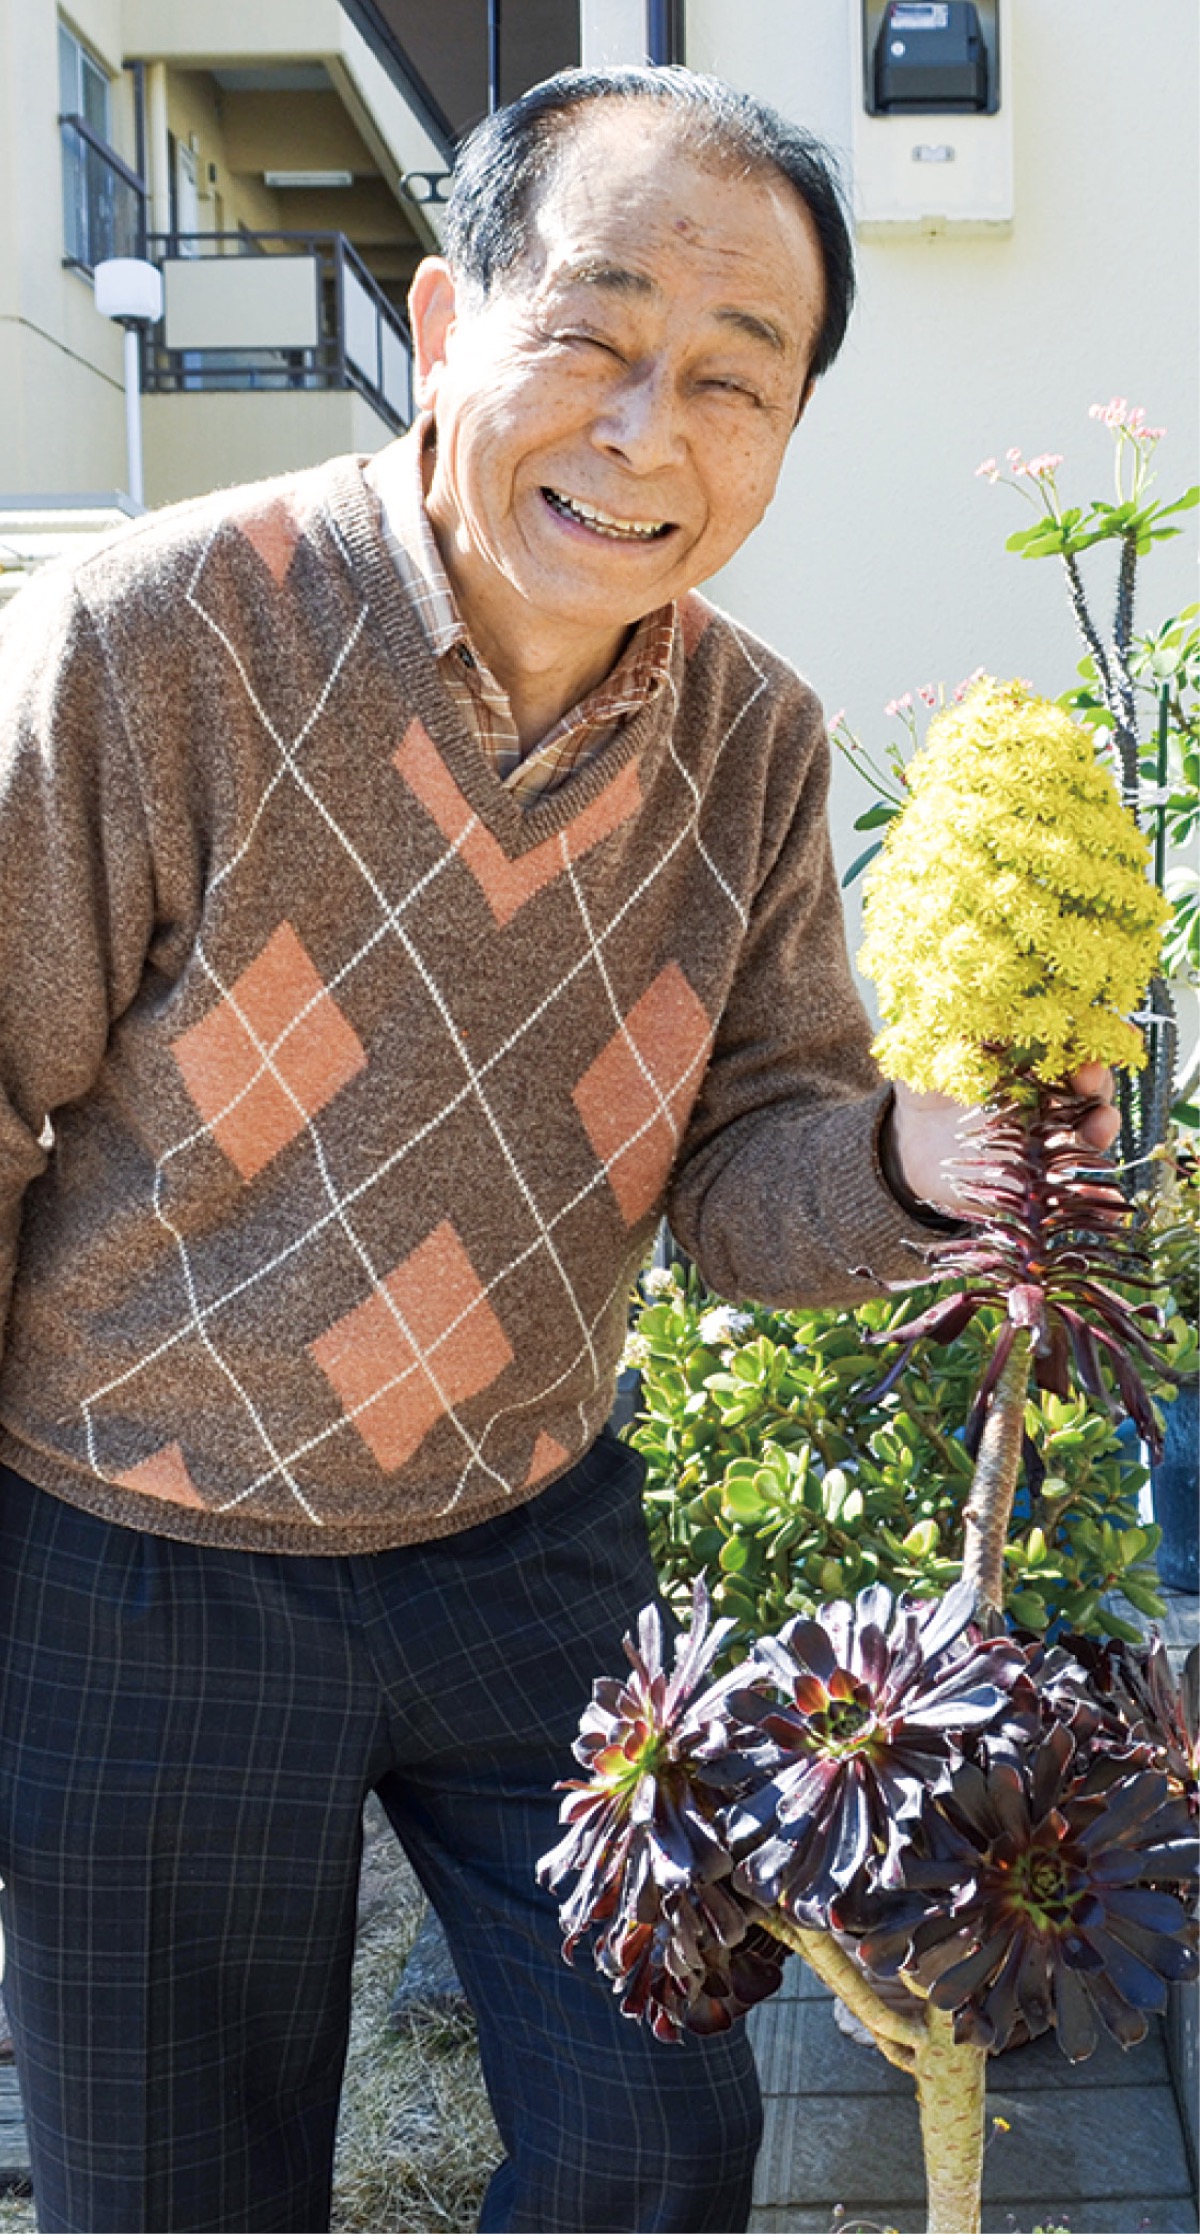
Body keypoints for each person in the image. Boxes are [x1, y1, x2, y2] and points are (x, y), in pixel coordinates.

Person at [0, 63, 1117, 2234]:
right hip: (137, 1557)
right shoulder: (147, 645)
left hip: (529, 1542)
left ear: (785, 433)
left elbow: (745, 1166)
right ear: (443, 326)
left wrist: (912, 1156)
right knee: (170, 2191)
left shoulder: (759, 747)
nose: (644, 430)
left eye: (730, 378)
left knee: (660, 2140)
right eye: (589, 336)